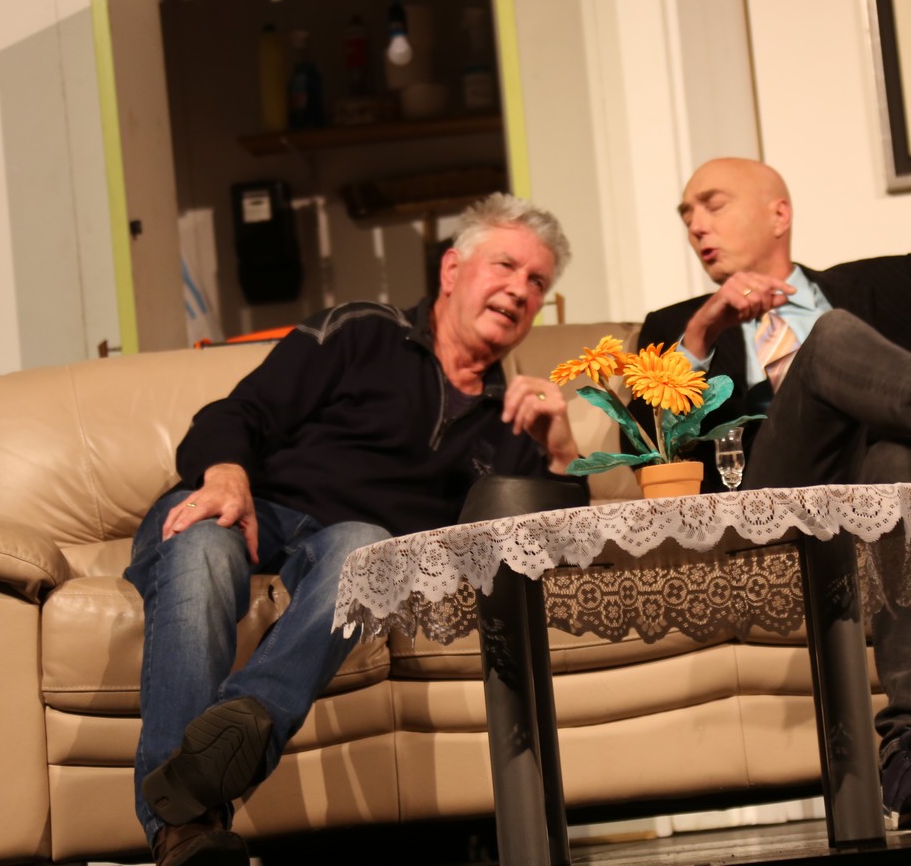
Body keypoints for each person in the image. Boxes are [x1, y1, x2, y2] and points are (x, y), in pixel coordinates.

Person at [127, 194, 580, 866]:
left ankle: (193, 809)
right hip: (255, 507)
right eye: (505, 266)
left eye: (537, 282)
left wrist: (561, 450)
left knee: (366, 547)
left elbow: (549, 547)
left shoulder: (514, 418)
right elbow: (239, 412)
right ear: (451, 270)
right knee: (200, 548)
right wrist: (225, 476)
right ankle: (187, 820)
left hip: (348, 542)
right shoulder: (361, 331)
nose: (519, 289)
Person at [636, 158, 911, 832]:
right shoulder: (677, 325)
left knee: (898, 460)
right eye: (686, 215)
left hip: (888, 486)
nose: (695, 225)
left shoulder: (892, 282)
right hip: (776, 505)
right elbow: (651, 450)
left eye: (712, 205)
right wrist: (702, 334)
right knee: (831, 336)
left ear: (779, 213)